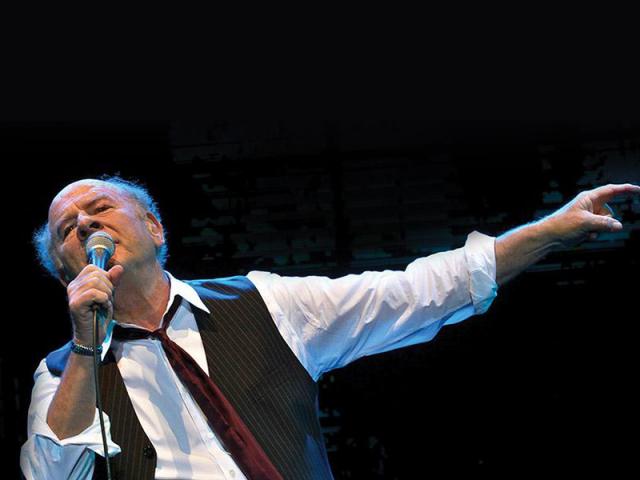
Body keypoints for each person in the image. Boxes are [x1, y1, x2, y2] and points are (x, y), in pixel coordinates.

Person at [19, 176, 640, 479]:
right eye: (66, 230)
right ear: (64, 269)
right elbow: (50, 476)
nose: (83, 225)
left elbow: (415, 291)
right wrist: (85, 345)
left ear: (154, 228)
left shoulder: (265, 302)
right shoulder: (59, 374)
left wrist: (549, 229)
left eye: (98, 209)